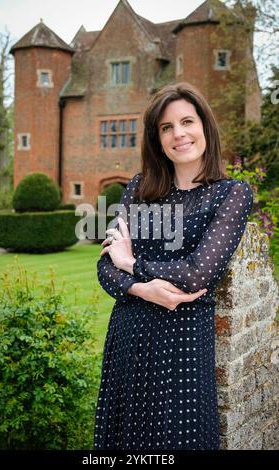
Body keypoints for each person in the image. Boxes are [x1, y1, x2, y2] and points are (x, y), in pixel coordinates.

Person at [93, 82, 253, 450]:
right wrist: (140, 287)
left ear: (204, 127)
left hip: (182, 346)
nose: (178, 134)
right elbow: (105, 267)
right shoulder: (138, 188)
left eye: (187, 122)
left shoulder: (231, 193)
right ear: (157, 138)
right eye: (166, 128)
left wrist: (131, 262)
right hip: (128, 339)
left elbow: (197, 273)